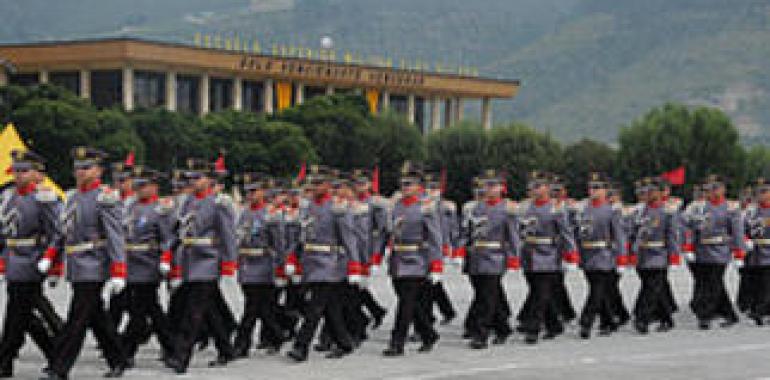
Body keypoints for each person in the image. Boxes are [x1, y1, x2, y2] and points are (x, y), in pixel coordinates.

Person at [42, 146, 129, 380]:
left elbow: (115, 236)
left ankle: (59, 367)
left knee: (77, 319)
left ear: (99, 170)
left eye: (86, 167)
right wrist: (52, 262)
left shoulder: (105, 198)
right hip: (76, 265)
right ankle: (118, 358)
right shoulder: (71, 197)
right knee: (96, 317)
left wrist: (118, 270)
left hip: (94, 265)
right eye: (77, 168)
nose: (80, 172)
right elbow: (62, 233)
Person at [163, 158, 237, 374]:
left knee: (193, 311)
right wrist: (169, 256)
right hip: (188, 260)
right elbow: (178, 231)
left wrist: (229, 263)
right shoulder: (187, 203)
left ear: (209, 180)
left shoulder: (218, 204)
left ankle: (181, 355)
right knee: (210, 309)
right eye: (191, 178)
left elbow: (228, 235)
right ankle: (226, 347)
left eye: (198, 178)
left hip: (208, 260)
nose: (193, 182)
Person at [285, 166, 362, 362]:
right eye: (313, 183)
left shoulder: (337, 208)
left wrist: (354, 265)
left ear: (328, 185)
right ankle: (344, 342)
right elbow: (299, 236)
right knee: (331, 308)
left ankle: (301, 347)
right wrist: (293, 259)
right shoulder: (306, 207)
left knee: (315, 307)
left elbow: (349, 238)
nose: (314, 186)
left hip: (330, 263)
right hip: (310, 262)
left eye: (319, 183)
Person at [0, 150, 61, 377]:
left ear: (37, 173)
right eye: (15, 170)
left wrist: (51, 261)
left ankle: (5, 360)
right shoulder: (7, 196)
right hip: (13, 260)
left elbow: (57, 232)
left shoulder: (44, 198)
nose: (18, 175)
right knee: (24, 316)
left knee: (15, 313)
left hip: (32, 261)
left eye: (24, 171)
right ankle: (56, 354)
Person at [382, 162, 443, 357]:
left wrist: (436, 265)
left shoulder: (426, 208)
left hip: (417, 259)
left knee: (405, 303)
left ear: (419, 187)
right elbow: (387, 232)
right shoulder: (394, 206)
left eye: (410, 184)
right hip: (397, 259)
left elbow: (435, 237)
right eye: (403, 183)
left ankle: (397, 342)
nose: (405, 187)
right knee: (409, 302)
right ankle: (428, 333)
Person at [457, 170, 520, 349]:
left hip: (495, 257)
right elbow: (465, 232)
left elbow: (513, 236)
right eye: (486, 185)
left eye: (493, 185)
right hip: (475, 256)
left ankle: (481, 333)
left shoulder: (508, 210)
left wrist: (514, 258)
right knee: (485, 295)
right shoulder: (473, 208)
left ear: (502, 188)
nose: (489, 189)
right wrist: (459, 252)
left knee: (486, 297)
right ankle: (502, 328)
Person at [120, 166, 175, 364]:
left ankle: (126, 351)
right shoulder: (129, 206)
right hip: (131, 263)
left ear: (154, 187)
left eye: (143, 186)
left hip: (148, 263)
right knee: (152, 309)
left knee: (139, 309)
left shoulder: (161, 210)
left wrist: (166, 260)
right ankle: (170, 346)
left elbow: (168, 238)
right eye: (137, 185)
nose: (139, 189)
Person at [517, 171, 577, 343]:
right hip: (528, 254)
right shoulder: (524, 207)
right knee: (539, 292)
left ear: (548, 188)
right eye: (532, 186)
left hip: (548, 254)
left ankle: (533, 328)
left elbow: (566, 233)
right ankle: (554, 324)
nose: (534, 190)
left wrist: (570, 255)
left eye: (538, 186)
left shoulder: (555, 208)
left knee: (541, 293)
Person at [232, 174, 287, 357]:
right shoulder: (245, 213)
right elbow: (239, 237)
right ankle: (278, 334)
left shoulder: (271, 214)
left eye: (254, 191)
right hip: (247, 265)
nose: (250, 195)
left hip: (264, 265)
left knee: (252, 308)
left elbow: (279, 244)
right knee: (263, 308)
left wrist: (280, 268)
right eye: (248, 191)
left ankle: (241, 343)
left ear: (263, 192)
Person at [686, 175, 744, 330]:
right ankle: (729, 314)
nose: (712, 192)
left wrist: (739, 253)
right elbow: (691, 229)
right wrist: (689, 248)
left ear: (723, 189)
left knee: (713, 283)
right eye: (708, 189)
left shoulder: (730, 208)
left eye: (715, 188)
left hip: (720, 251)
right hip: (702, 251)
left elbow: (737, 232)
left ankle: (705, 315)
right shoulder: (698, 208)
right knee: (712, 283)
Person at [575, 172, 628, 339]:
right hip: (587, 254)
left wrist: (621, 259)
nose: (593, 191)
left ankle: (586, 321)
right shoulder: (582, 209)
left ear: (606, 190)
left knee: (596, 291)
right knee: (599, 291)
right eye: (591, 188)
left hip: (604, 254)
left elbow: (619, 235)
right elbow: (577, 233)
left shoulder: (612, 210)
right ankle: (608, 321)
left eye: (597, 188)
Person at [630, 177, 681, 334]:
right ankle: (666, 318)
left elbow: (672, 235)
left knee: (651, 288)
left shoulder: (667, 212)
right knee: (653, 288)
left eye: (652, 191)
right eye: (646, 191)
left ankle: (642, 318)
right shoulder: (638, 211)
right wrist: (631, 252)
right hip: (642, 254)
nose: (648, 194)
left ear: (660, 193)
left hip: (659, 254)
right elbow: (631, 233)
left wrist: (673, 255)